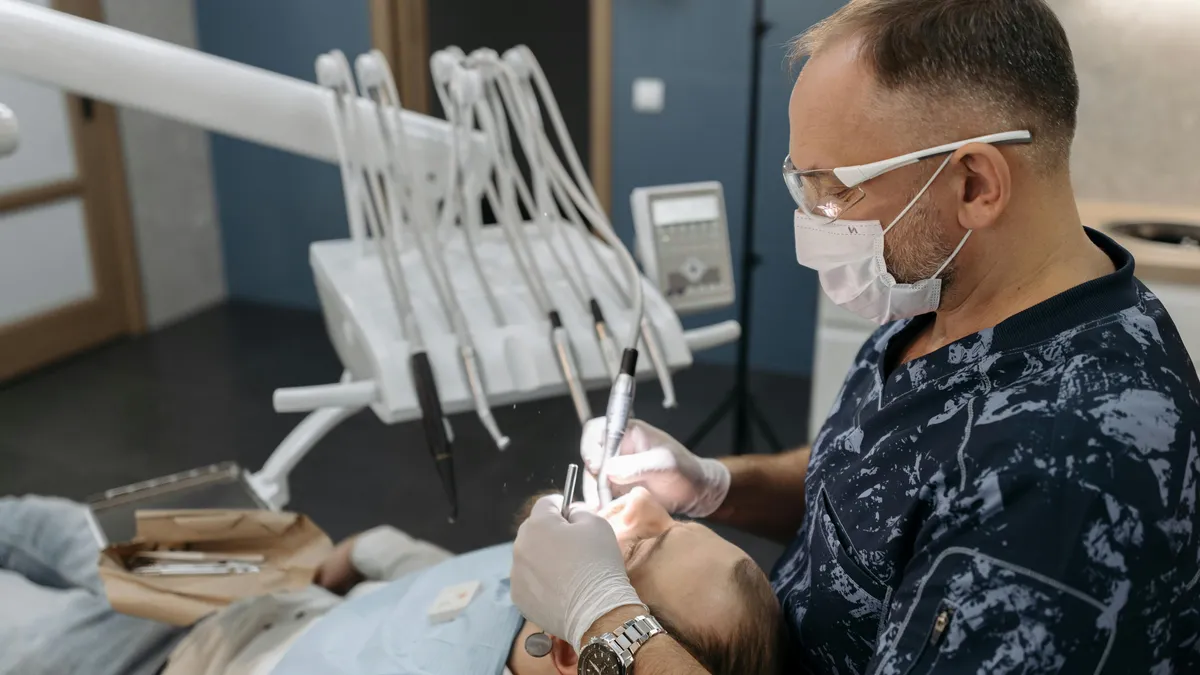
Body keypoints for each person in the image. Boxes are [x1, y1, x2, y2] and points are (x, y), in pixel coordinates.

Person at [509, 0, 1200, 673]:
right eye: (804, 186)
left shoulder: (1066, 474)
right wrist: (713, 486)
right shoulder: (944, 296)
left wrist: (604, 618)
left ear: (975, 184)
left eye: (835, 191)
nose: (816, 221)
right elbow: (873, 480)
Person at [0, 490, 781, 675]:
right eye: (674, 521)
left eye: (637, 550)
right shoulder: (549, 591)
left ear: (585, 651)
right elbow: (458, 592)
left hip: (201, 655)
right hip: (291, 588)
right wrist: (374, 552)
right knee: (67, 523)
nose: (637, 502)